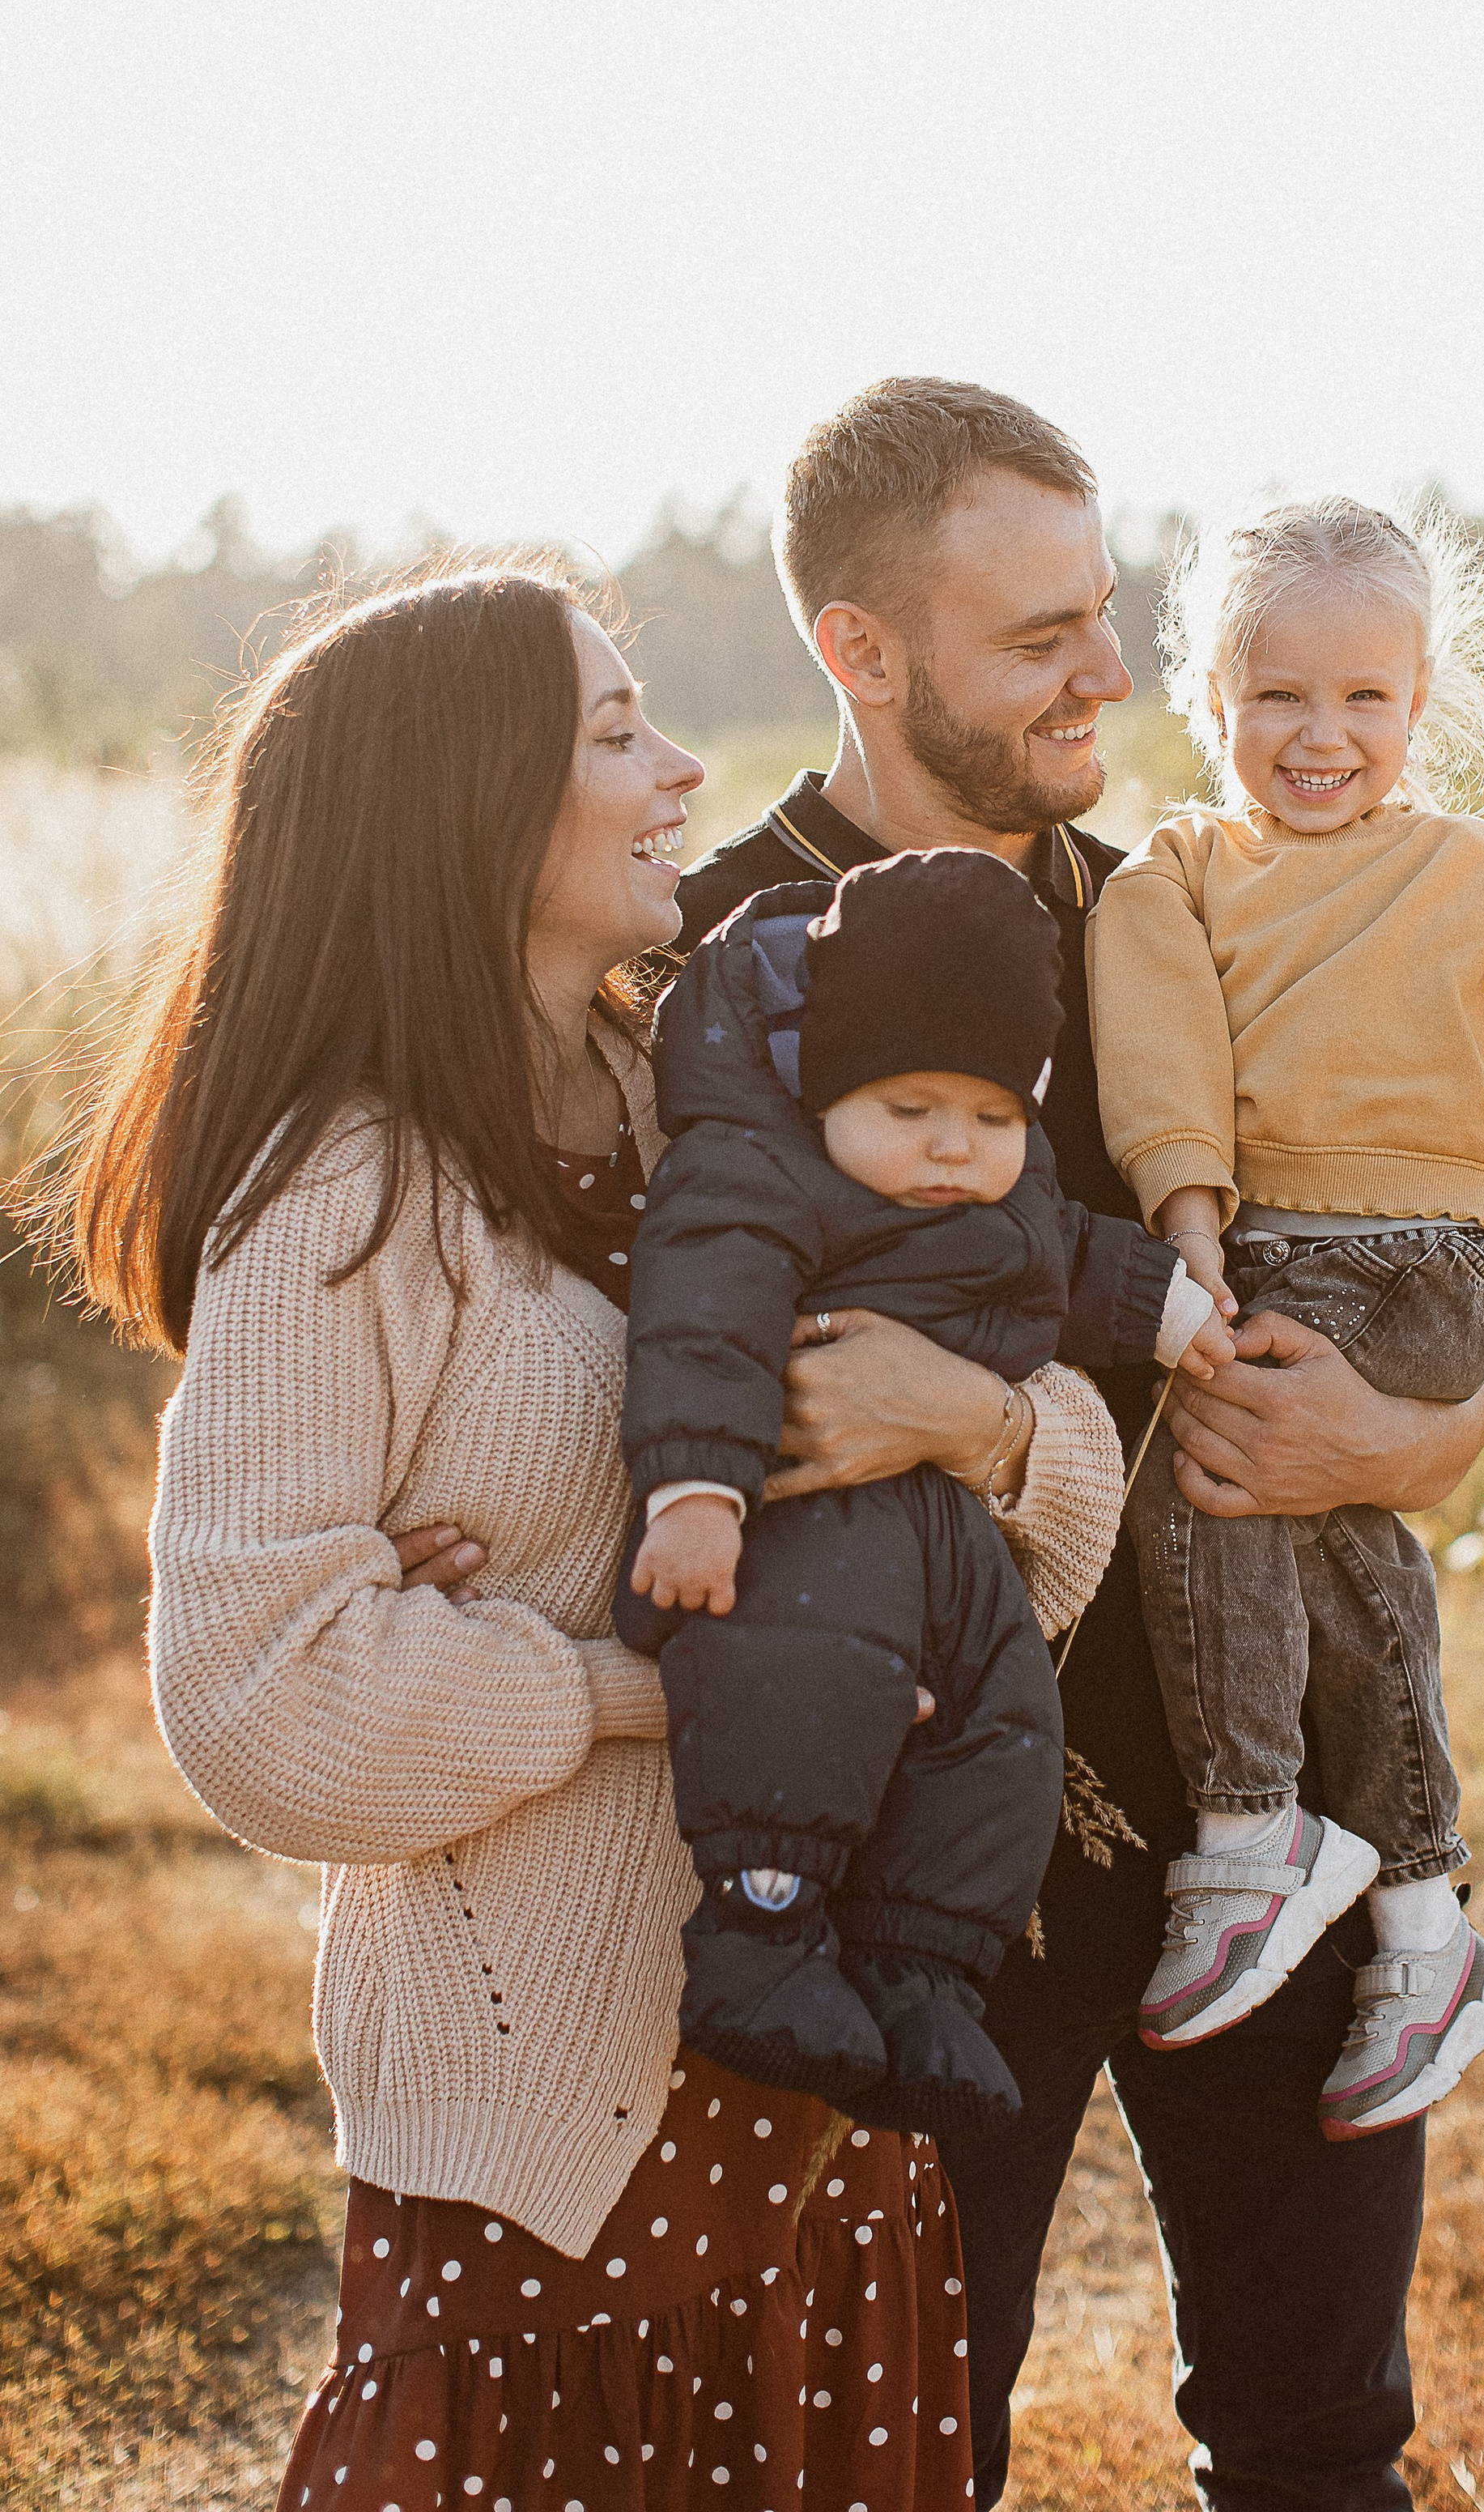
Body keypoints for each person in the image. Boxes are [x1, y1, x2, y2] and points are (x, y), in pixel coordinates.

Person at [53, 560, 1126, 2512]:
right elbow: (262, 1697)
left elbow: (1046, 1509)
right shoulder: (346, 1194)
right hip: (553, 2150)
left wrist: (959, 1425)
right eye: (619, 733)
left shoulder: (720, 1105)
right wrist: (651, 1686)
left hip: (830, 2087)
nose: (686, 774)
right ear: (467, 801)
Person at [672, 381, 1484, 2512]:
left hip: (1275, 1813)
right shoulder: (720, 962)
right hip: (927, 1867)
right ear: (862, 650)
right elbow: (688, 1387)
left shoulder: (1206, 915)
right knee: (894, 2458)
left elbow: (1423, 1293)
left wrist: (1409, 1442)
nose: (1109, 675)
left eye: (1105, 613)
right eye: (1038, 636)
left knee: (1321, 2443)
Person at [1088, 494, 1484, 2128]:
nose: (1321, 734)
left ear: (1418, 704)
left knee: (1206, 1471)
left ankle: (1251, 1826)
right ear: (1211, 698)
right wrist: (1191, 1223)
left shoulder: (1481, 871)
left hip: (1424, 1264)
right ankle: (1425, 1931)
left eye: (1364, 697)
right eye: (1277, 695)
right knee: (1340, 1550)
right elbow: (1160, 1058)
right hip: (1270, 1248)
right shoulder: (1177, 875)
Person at [615, 845, 1222, 2131]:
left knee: (1007, 1729)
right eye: (910, 1110)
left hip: (956, 1540)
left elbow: (1069, 1260)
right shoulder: (757, 1176)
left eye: (995, 1118)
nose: (954, 1147)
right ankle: (762, 1934)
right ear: (826, 1084)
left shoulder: (1007, 1191)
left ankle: (925, 1971)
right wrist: (696, 1493)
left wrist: (1176, 1311)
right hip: (808, 1525)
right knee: (803, 1693)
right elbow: (702, 1323)